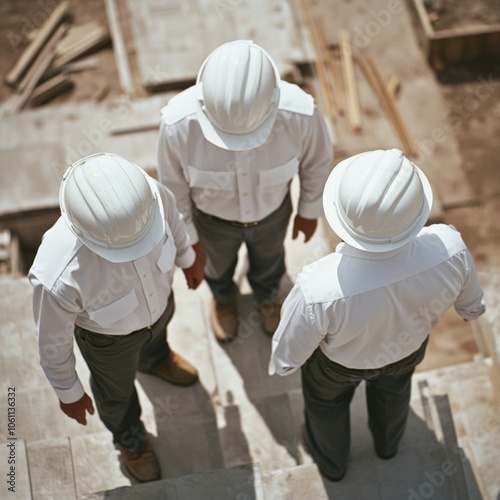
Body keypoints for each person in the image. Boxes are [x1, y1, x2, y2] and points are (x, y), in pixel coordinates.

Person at [269, 148, 485, 481]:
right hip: (408, 351)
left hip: (337, 367)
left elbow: (289, 356)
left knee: (326, 407)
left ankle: (333, 465)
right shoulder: (451, 248)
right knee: (394, 395)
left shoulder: (318, 287)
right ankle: (388, 446)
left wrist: (283, 362)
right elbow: (472, 308)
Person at [29, 153, 205, 483]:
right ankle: (130, 440)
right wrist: (69, 391)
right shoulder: (56, 274)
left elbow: (176, 221)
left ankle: (156, 360)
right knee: (116, 394)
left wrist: (187, 255)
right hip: (109, 343)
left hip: (160, 310)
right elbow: (52, 341)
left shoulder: (148, 195)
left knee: (157, 340)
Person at [157, 39, 333, 341]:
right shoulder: (178, 127)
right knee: (216, 267)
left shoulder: (301, 115)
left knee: (271, 260)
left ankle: (267, 295)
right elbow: (173, 191)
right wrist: (190, 241)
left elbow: (316, 163)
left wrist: (309, 210)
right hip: (211, 223)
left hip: (273, 215)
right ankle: (223, 299)